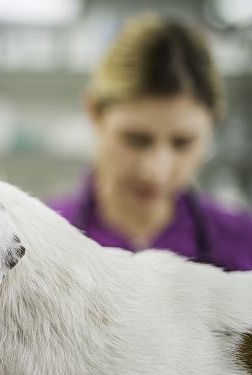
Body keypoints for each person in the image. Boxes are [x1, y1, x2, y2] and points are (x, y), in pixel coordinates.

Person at [47, 13, 252, 271]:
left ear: (214, 122)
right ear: (95, 112)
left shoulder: (244, 243)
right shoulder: (41, 239)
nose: (155, 171)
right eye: (136, 140)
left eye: (182, 143)